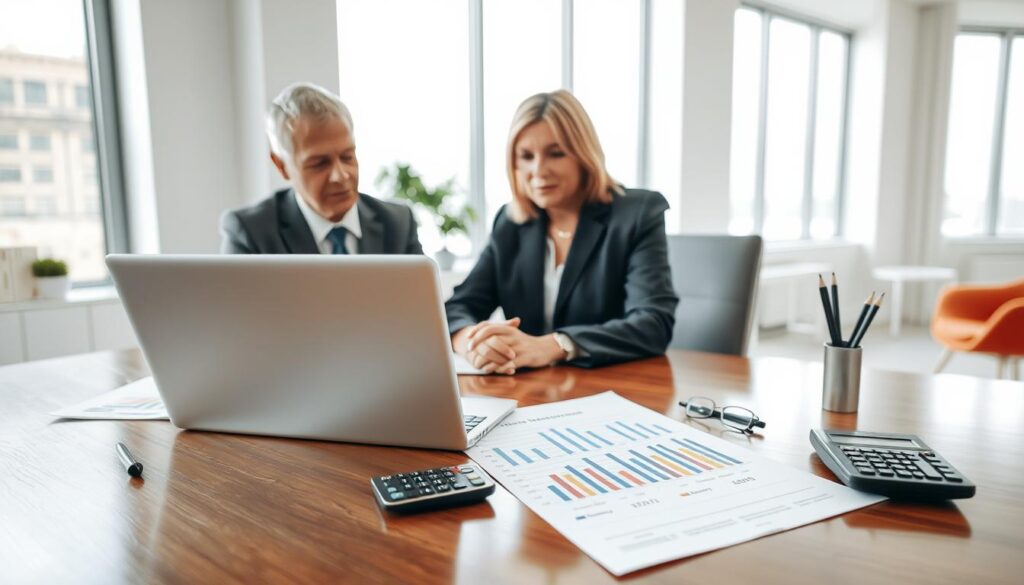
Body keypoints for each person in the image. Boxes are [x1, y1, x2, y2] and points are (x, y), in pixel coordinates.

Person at [446, 90, 678, 372]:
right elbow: (457, 308)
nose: (539, 170)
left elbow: (653, 323)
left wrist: (553, 346)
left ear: (584, 155)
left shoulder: (638, 214)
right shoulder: (511, 223)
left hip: (611, 388)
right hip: (532, 392)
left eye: (555, 153)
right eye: (526, 156)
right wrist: (472, 342)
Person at [220, 83, 422, 255]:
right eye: (319, 163)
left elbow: (421, 301)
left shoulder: (398, 224)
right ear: (282, 166)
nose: (341, 176)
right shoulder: (251, 234)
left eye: (347, 157)